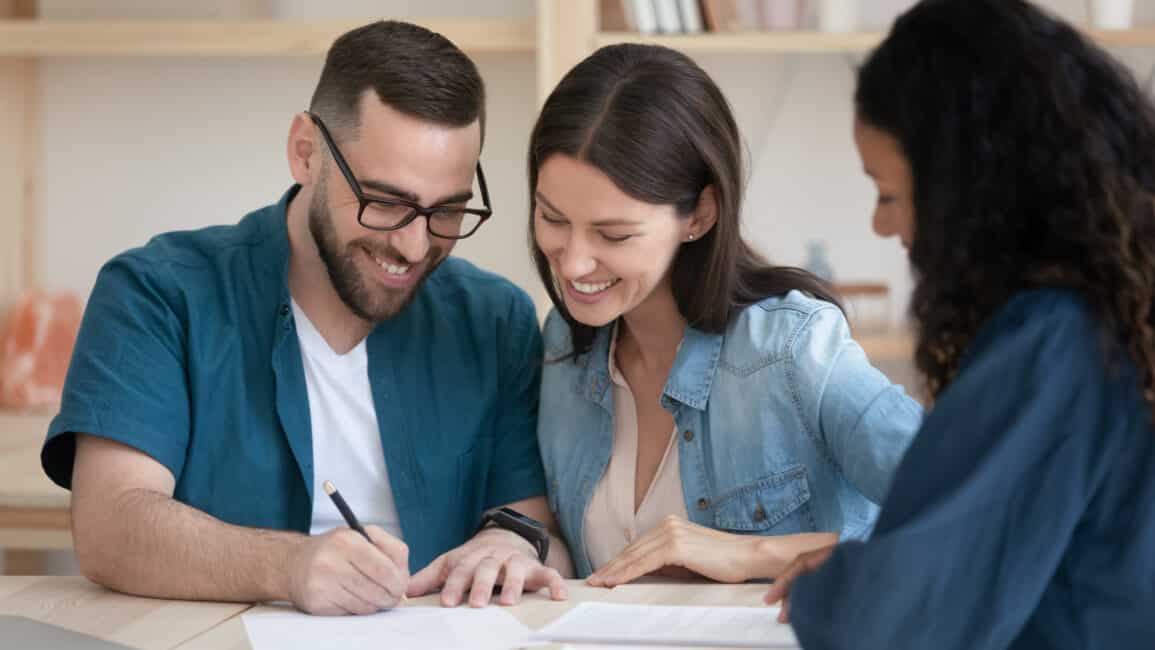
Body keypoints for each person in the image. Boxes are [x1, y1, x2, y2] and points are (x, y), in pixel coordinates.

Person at [41, 20, 571, 615]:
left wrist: (508, 542)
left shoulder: (494, 320)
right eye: (386, 203)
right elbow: (110, 527)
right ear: (305, 153)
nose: (417, 247)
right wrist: (288, 565)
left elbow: (528, 518)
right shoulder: (159, 294)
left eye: (446, 211)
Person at [765, 1, 1155, 647]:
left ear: (969, 189)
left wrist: (832, 588)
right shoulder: (1117, 314)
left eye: (888, 194)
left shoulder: (1052, 340)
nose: (880, 225)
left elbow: (898, 621)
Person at [528, 43, 923, 584]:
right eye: (552, 218)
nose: (572, 263)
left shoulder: (790, 349)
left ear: (701, 214)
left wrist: (754, 555)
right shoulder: (562, 347)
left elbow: (976, 506)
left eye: (612, 233)